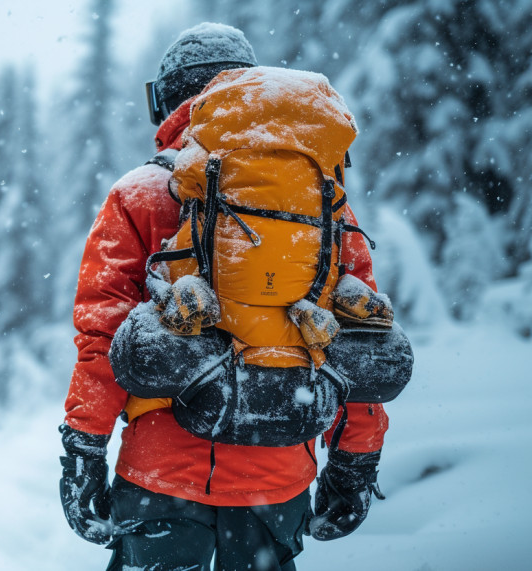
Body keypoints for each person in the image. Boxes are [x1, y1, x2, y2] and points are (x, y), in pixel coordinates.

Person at [59, 23, 388, 571]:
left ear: (163, 101)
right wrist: (356, 456)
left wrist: (84, 449)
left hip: (162, 474)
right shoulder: (322, 200)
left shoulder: (139, 194)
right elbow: (356, 338)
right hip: (279, 469)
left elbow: (102, 336)